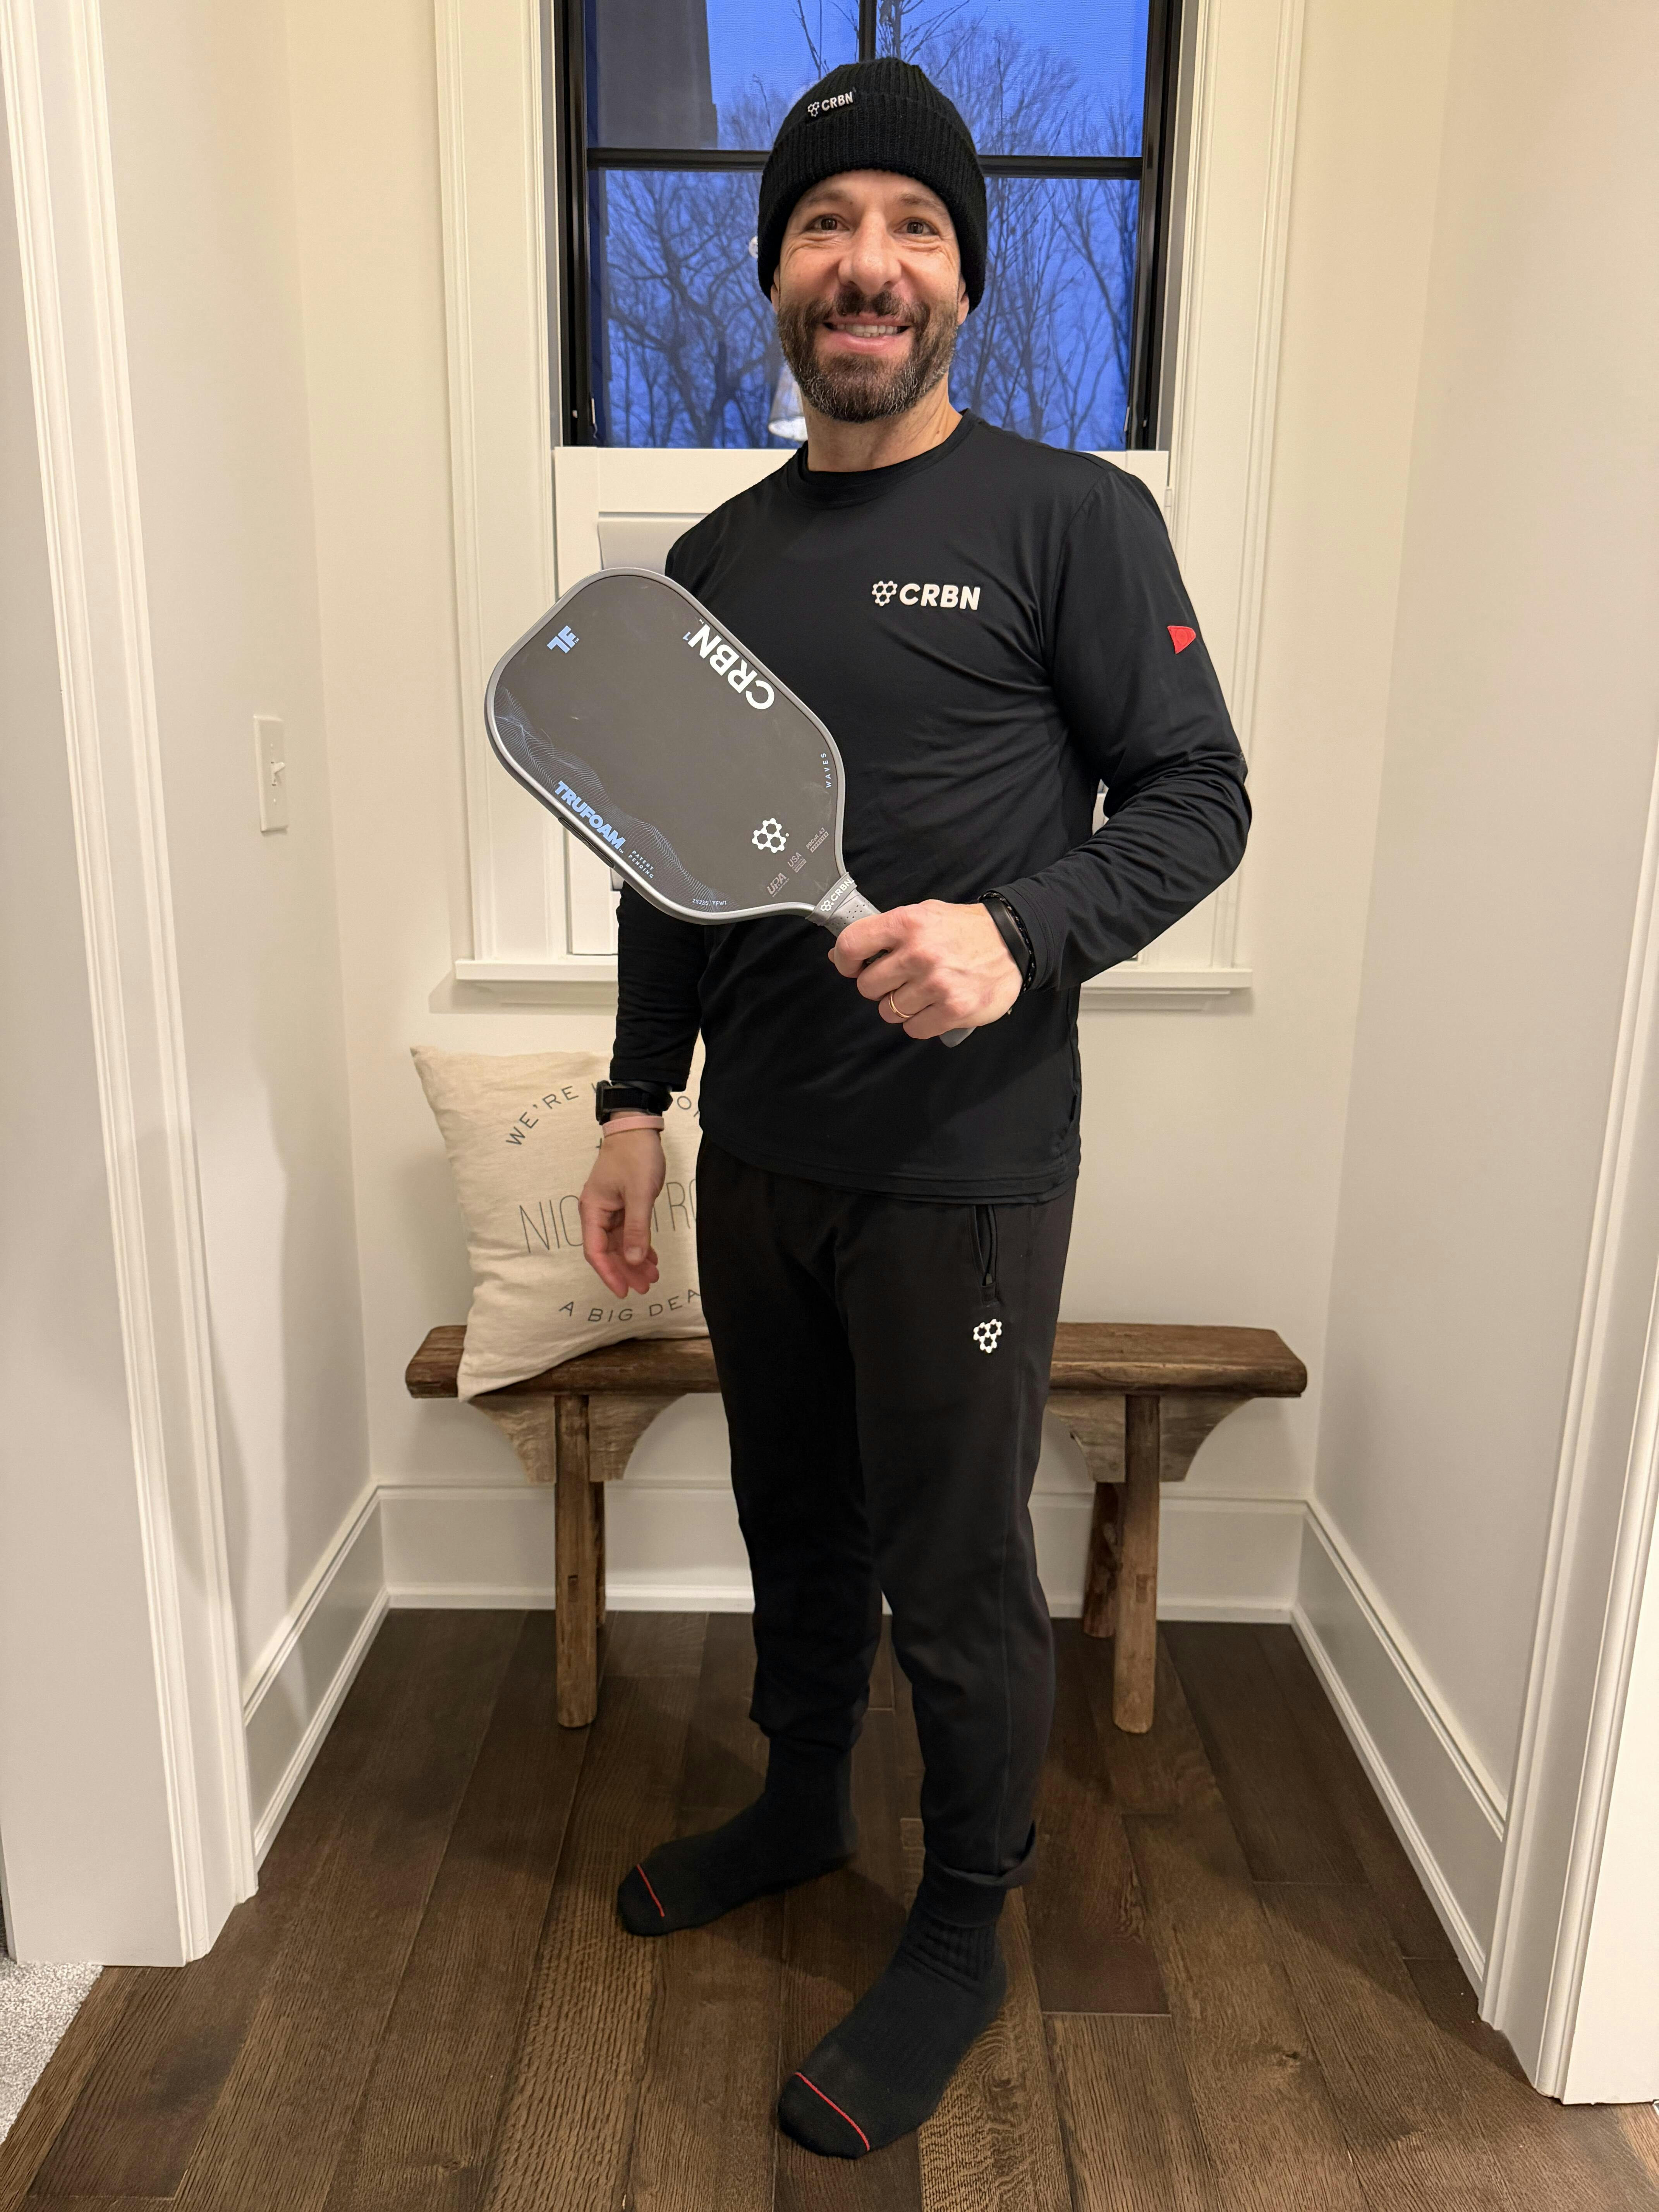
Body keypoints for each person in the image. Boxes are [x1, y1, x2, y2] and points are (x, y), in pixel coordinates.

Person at [578, 56, 1250, 2161]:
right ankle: (802, 1799)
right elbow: (668, 858)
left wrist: (1018, 935)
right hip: (762, 1161)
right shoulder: (715, 557)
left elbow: (1202, 799)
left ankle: (961, 1924)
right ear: (777, 273)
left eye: (914, 228)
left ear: (966, 280)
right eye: (825, 224)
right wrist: (634, 1103)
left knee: (954, 1570)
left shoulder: (1074, 519)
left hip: (963, 1174)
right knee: (796, 1520)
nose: (866, 264)